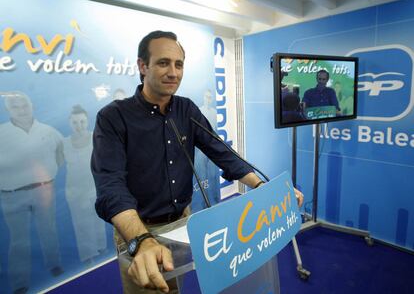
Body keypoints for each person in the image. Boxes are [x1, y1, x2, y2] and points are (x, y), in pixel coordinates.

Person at [91, 30, 304, 294]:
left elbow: (221, 152)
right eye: (163, 63)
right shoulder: (113, 117)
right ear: (142, 66)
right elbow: (110, 186)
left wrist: (262, 187)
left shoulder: (186, 109)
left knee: (174, 288)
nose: (173, 72)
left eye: (178, 64)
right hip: (140, 229)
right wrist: (142, 240)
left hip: (183, 223)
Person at [0, 92, 64, 294]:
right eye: (15, 107)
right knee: (19, 241)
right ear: (8, 110)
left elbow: (60, 154)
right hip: (12, 195)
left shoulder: (48, 130)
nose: (21, 110)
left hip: (44, 189)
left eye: (24, 105)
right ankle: (20, 284)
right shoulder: (1, 133)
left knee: (49, 231)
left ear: (32, 106)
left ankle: (54, 265)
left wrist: (48, 175)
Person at [63, 105, 107, 265]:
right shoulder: (64, 143)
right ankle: (88, 256)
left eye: (82, 122)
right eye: (75, 122)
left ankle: (102, 251)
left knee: (98, 221)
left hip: (95, 187)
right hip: (75, 190)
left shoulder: (97, 138)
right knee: (82, 225)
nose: (79, 126)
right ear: (70, 123)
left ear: (87, 121)